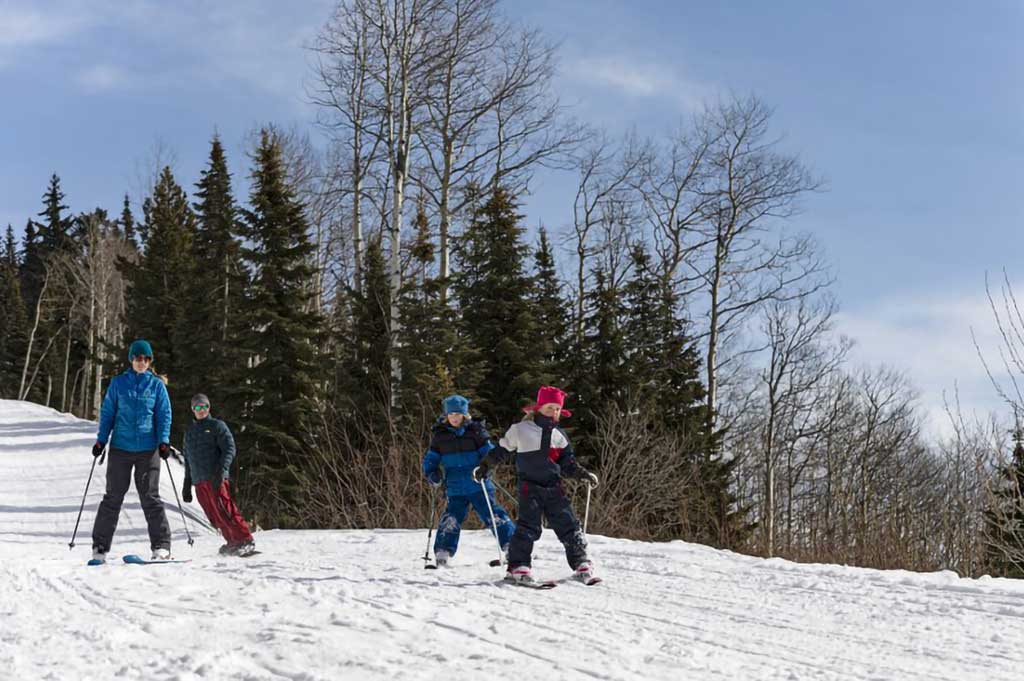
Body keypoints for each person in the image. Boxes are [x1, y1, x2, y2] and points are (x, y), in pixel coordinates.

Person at [473, 386, 599, 584]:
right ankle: (518, 566)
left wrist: (582, 474)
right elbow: (501, 450)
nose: (554, 412)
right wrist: (485, 467)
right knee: (528, 526)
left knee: (568, 524)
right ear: (539, 408)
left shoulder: (559, 436)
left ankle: (581, 562)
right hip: (529, 487)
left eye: (557, 409)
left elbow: (567, 463)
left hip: (554, 487)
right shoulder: (521, 430)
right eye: (550, 408)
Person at [90, 339, 173, 563]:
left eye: (146, 359)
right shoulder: (119, 384)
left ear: (150, 361)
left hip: (148, 449)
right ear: (131, 359)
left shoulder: (156, 386)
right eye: (138, 358)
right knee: (112, 497)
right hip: (120, 448)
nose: (142, 362)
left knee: (150, 497)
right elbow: (108, 413)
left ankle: (161, 546)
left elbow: (164, 415)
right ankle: (100, 547)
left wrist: (163, 441)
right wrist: (101, 441)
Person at [422, 394, 515, 566]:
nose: (454, 418)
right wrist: (432, 474)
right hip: (455, 487)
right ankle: (443, 551)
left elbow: (489, 454)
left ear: (465, 415)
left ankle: (512, 547)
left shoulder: (476, 432)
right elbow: (430, 459)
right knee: (451, 518)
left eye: (458, 414)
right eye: (451, 414)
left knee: (493, 515)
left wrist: (485, 468)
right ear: (446, 415)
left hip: (478, 484)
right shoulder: (440, 436)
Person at [181, 393, 255, 557]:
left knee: (225, 509)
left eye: (204, 406)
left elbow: (229, 449)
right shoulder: (189, 432)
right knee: (213, 514)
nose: (201, 410)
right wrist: (187, 483)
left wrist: (221, 472)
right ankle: (232, 541)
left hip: (215, 477)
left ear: (209, 408)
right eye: (198, 407)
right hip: (199, 480)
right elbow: (187, 458)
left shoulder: (217, 426)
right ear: (193, 409)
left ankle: (245, 539)